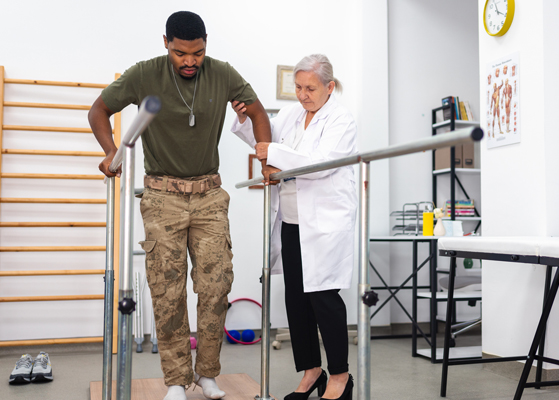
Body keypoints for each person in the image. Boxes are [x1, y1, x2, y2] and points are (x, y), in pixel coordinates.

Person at [88, 11, 272, 400]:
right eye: (180, 53)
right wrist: (109, 152)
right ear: (166, 44)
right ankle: (175, 379)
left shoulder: (222, 73)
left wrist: (266, 157)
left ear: (206, 44)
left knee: (216, 286)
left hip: (209, 196)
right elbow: (98, 110)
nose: (190, 61)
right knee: (167, 292)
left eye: (198, 53)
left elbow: (256, 112)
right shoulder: (144, 74)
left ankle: (207, 374)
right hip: (162, 198)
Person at [231, 54, 356, 400]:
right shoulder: (291, 114)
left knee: (324, 298)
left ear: (329, 87)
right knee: (296, 300)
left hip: (324, 223)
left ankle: (340, 377)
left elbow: (320, 164)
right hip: (291, 221)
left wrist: (273, 152)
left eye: (310, 88)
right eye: (298, 87)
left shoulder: (341, 119)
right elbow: (266, 139)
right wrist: (245, 121)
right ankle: (311, 371)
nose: (302, 94)